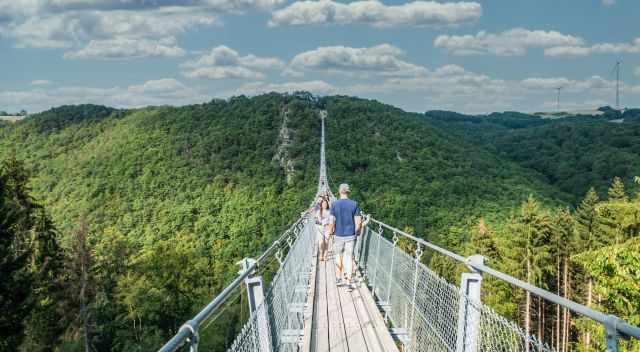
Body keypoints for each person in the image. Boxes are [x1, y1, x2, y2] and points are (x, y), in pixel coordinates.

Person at [329, 183, 361, 291]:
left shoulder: (334, 204)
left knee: (338, 255)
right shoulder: (354, 204)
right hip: (350, 235)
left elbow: (332, 221)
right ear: (348, 192)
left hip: (338, 235)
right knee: (348, 257)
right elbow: (358, 221)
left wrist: (330, 231)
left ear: (339, 191)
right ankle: (348, 282)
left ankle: (338, 278)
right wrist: (357, 232)